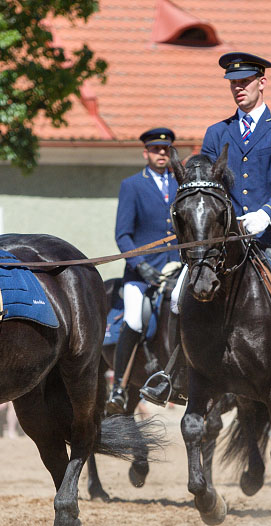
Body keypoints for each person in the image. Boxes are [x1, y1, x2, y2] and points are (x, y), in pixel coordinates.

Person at [142, 52, 271, 406]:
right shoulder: (216, 132)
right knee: (179, 297)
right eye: (233, 84)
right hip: (227, 237)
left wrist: (267, 215)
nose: (238, 88)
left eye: (244, 82)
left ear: (261, 82)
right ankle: (172, 372)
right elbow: (205, 182)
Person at [106, 127, 181, 413]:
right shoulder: (132, 185)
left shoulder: (181, 184)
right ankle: (119, 389)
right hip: (142, 275)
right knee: (136, 320)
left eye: (165, 150)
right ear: (145, 153)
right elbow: (122, 235)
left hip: (177, 269)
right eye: (155, 149)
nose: (161, 154)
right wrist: (141, 266)